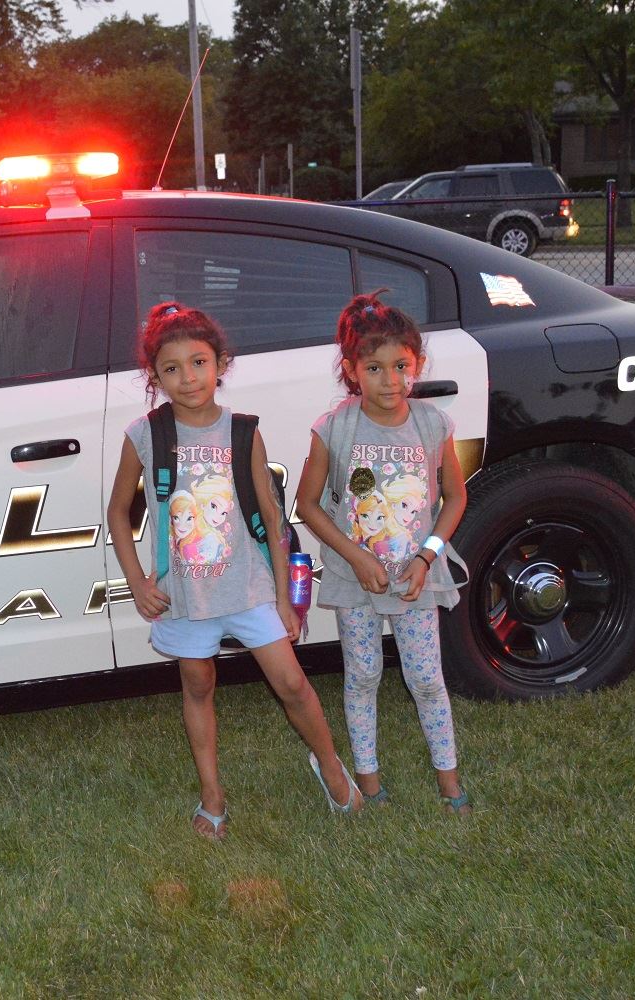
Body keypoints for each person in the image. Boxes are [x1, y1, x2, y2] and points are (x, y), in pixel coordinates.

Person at [108, 301, 362, 840]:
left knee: (292, 682)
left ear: (220, 363)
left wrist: (284, 598)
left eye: (198, 362)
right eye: (171, 368)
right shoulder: (144, 435)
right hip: (183, 597)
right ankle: (212, 796)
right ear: (154, 376)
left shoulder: (243, 431)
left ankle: (331, 766)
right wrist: (137, 581)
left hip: (248, 588)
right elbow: (117, 512)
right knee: (198, 684)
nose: (187, 378)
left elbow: (272, 517)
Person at [294, 294, 472, 814]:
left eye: (401, 366)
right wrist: (355, 556)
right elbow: (307, 504)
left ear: (416, 365)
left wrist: (426, 556)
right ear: (351, 370)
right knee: (364, 675)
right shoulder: (334, 428)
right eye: (374, 368)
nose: (390, 381)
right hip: (356, 583)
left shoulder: (433, 424)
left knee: (425, 678)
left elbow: (455, 497)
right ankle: (369, 783)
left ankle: (450, 785)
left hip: (417, 581)